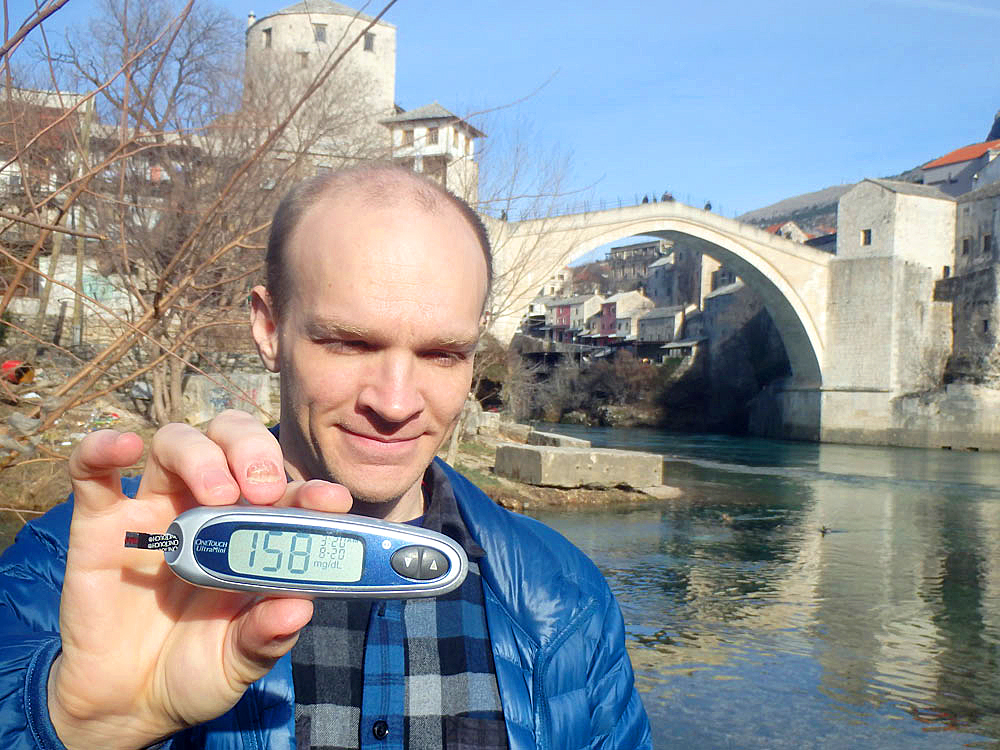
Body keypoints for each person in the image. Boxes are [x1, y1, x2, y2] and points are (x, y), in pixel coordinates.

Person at [0, 165, 652, 749]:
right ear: (268, 328)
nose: (396, 403)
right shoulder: (84, 568)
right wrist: (71, 727)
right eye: (349, 343)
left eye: (442, 354)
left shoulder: (568, 601)